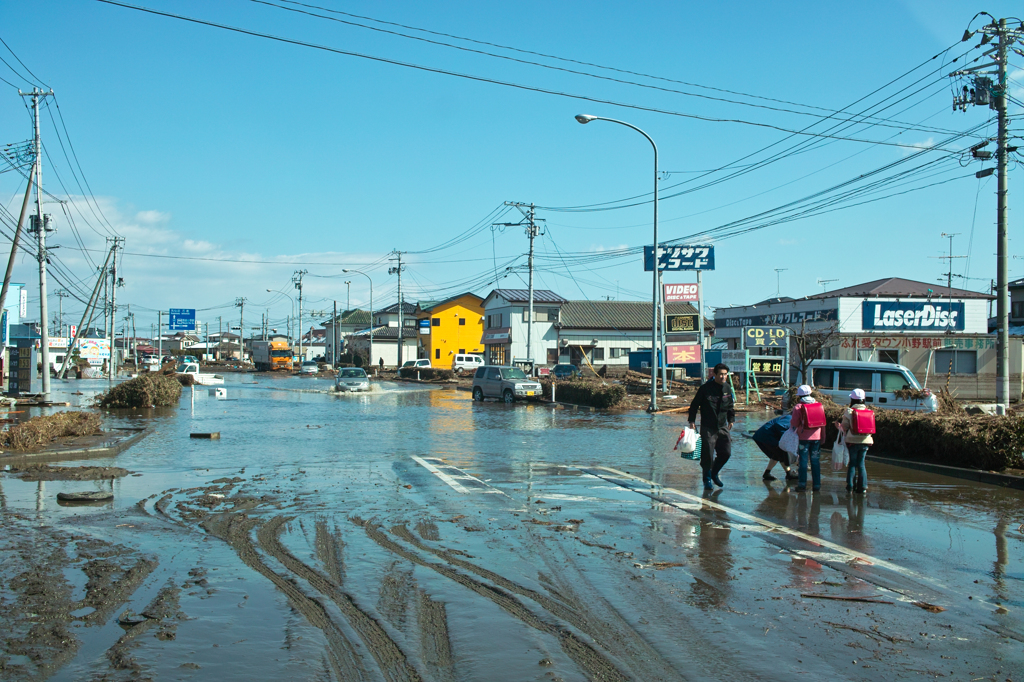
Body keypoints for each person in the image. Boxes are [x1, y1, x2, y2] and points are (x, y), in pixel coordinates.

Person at [688, 363, 735, 490]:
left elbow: (730, 405)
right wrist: (691, 421)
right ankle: (707, 479)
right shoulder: (705, 388)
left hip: (722, 426)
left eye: (725, 374)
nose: (723, 377)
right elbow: (694, 406)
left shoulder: (727, 388)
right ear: (714, 374)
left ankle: (714, 473)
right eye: (720, 374)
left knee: (726, 452)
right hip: (708, 427)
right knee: (707, 454)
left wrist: (731, 419)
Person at [790, 384, 824, 492]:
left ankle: (802, 485)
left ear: (799, 396)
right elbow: (823, 423)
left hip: (803, 438)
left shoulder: (798, 407)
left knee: (803, 461)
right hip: (816, 438)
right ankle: (817, 485)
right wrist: (823, 437)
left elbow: (794, 423)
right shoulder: (819, 405)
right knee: (815, 461)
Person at [839, 388, 873, 493]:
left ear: (852, 400)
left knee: (852, 463)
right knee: (861, 464)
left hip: (852, 441)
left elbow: (844, 427)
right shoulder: (869, 412)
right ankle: (863, 487)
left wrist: (839, 426)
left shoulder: (849, 411)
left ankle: (850, 485)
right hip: (866, 441)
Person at [752, 414, 799, 481]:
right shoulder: (790, 419)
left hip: (764, 435)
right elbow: (779, 424)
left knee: (776, 454)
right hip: (766, 435)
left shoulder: (791, 418)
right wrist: (785, 438)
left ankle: (767, 473)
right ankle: (789, 474)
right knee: (781, 453)